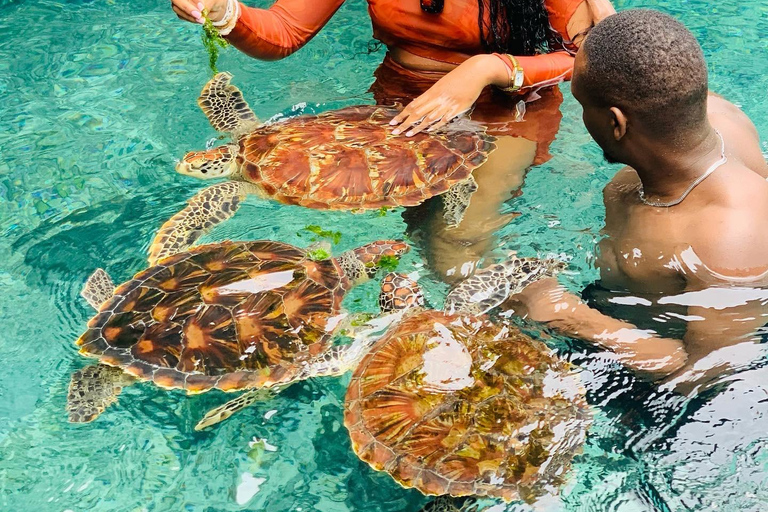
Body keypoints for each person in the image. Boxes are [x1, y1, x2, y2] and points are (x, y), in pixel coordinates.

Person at [170, 0, 615, 282]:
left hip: (505, 106)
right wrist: (225, 12)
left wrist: (485, 69)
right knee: (419, 234)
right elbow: (285, 29)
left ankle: (546, 313)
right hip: (400, 104)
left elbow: (589, 59)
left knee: (454, 251)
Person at [506, 9, 768, 392]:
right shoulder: (695, 109)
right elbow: (653, 64)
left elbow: (707, 374)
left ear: (617, 123)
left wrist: (569, 315)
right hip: (629, 313)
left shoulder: (730, 235)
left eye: (581, 105)